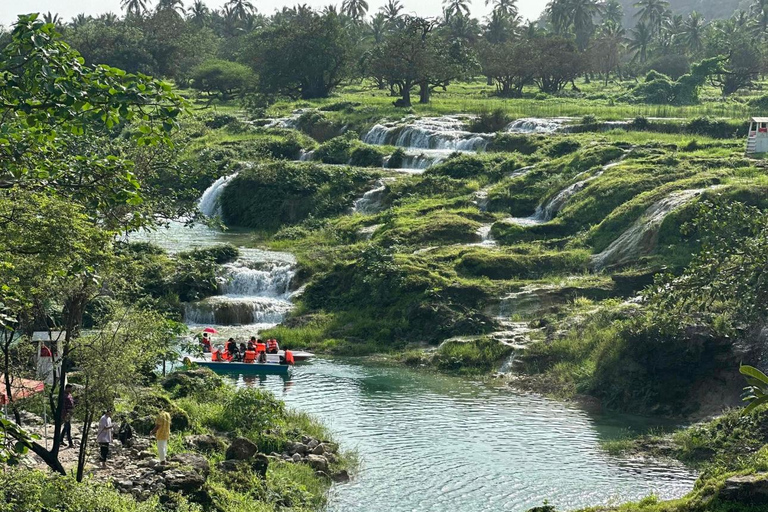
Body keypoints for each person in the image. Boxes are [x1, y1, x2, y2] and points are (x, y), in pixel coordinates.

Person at [60, 384, 75, 449]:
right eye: (70, 388)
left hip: (69, 413)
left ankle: (60, 440)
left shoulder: (69, 394)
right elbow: (63, 406)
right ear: (67, 388)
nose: (71, 390)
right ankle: (70, 443)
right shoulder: (64, 395)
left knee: (66, 427)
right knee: (68, 427)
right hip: (66, 414)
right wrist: (65, 414)